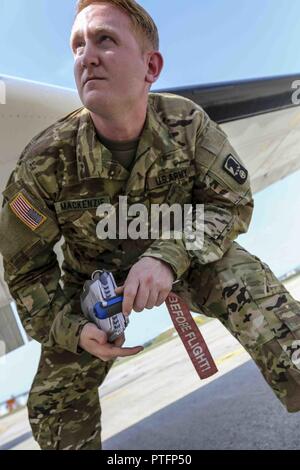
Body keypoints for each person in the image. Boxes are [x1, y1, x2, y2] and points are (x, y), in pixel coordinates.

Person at [1, 0, 300, 451]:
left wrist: (167, 257)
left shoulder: (186, 123)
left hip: (184, 260)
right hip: (94, 293)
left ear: (151, 66)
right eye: (78, 45)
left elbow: (230, 203)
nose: (87, 56)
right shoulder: (43, 163)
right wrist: (73, 329)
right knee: (52, 404)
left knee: (251, 287)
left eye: (105, 40)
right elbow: (25, 271)